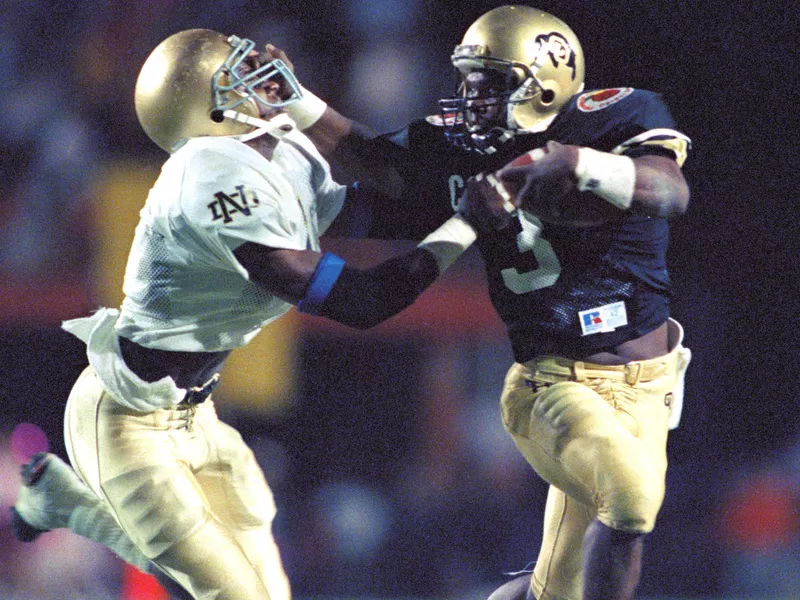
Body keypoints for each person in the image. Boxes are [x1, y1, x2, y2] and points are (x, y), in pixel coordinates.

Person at [11, 27, 499, 600]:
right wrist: (466, 224)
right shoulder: (211, 174)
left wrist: (468, 184)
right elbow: (362, 302)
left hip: (195, 414)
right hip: (124, 419)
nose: (267, 76)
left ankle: (63, 500)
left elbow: (375, 206)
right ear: (211, 109)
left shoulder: (280, 148)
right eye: (239, 73)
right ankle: (76, 508)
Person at [266, 5, 693, 600]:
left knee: (555, 590)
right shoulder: (461, 154)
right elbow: (373, 158)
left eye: (491, 83)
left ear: (546, 81)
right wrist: (295, 103)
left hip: (650, 386)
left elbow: (669, 191)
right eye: (468, 80)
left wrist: (574, 163)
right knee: (632, 499)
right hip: (552, 384)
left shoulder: (610, 120)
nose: (471, 97)